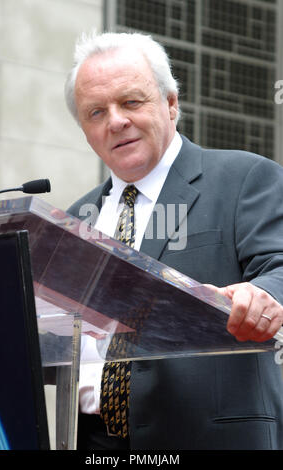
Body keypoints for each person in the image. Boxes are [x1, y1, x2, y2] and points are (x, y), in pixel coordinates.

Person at [65, 31, 283, 450]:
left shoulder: (243, 179)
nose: (115, 121)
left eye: (131, 102)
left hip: (208, 437)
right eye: (96, 112)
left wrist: (261, 295)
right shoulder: (75, 220)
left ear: (170, 103)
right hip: (93, 442)